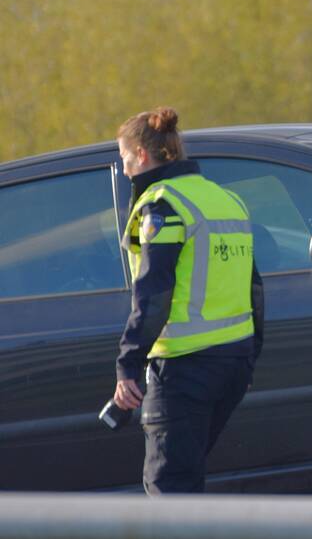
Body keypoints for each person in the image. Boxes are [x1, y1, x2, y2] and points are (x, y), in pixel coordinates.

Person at [111, 106, 264, 494]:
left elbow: (155, 292)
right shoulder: (224, 199)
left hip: (184, 367)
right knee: (186, 480)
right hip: (232, 362)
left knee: (170, 488)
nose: (125, 169)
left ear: (142, 155)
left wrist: (127, 363)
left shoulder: (164, 206)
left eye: (125, 159)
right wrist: (248, 358)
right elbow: (253, 287)